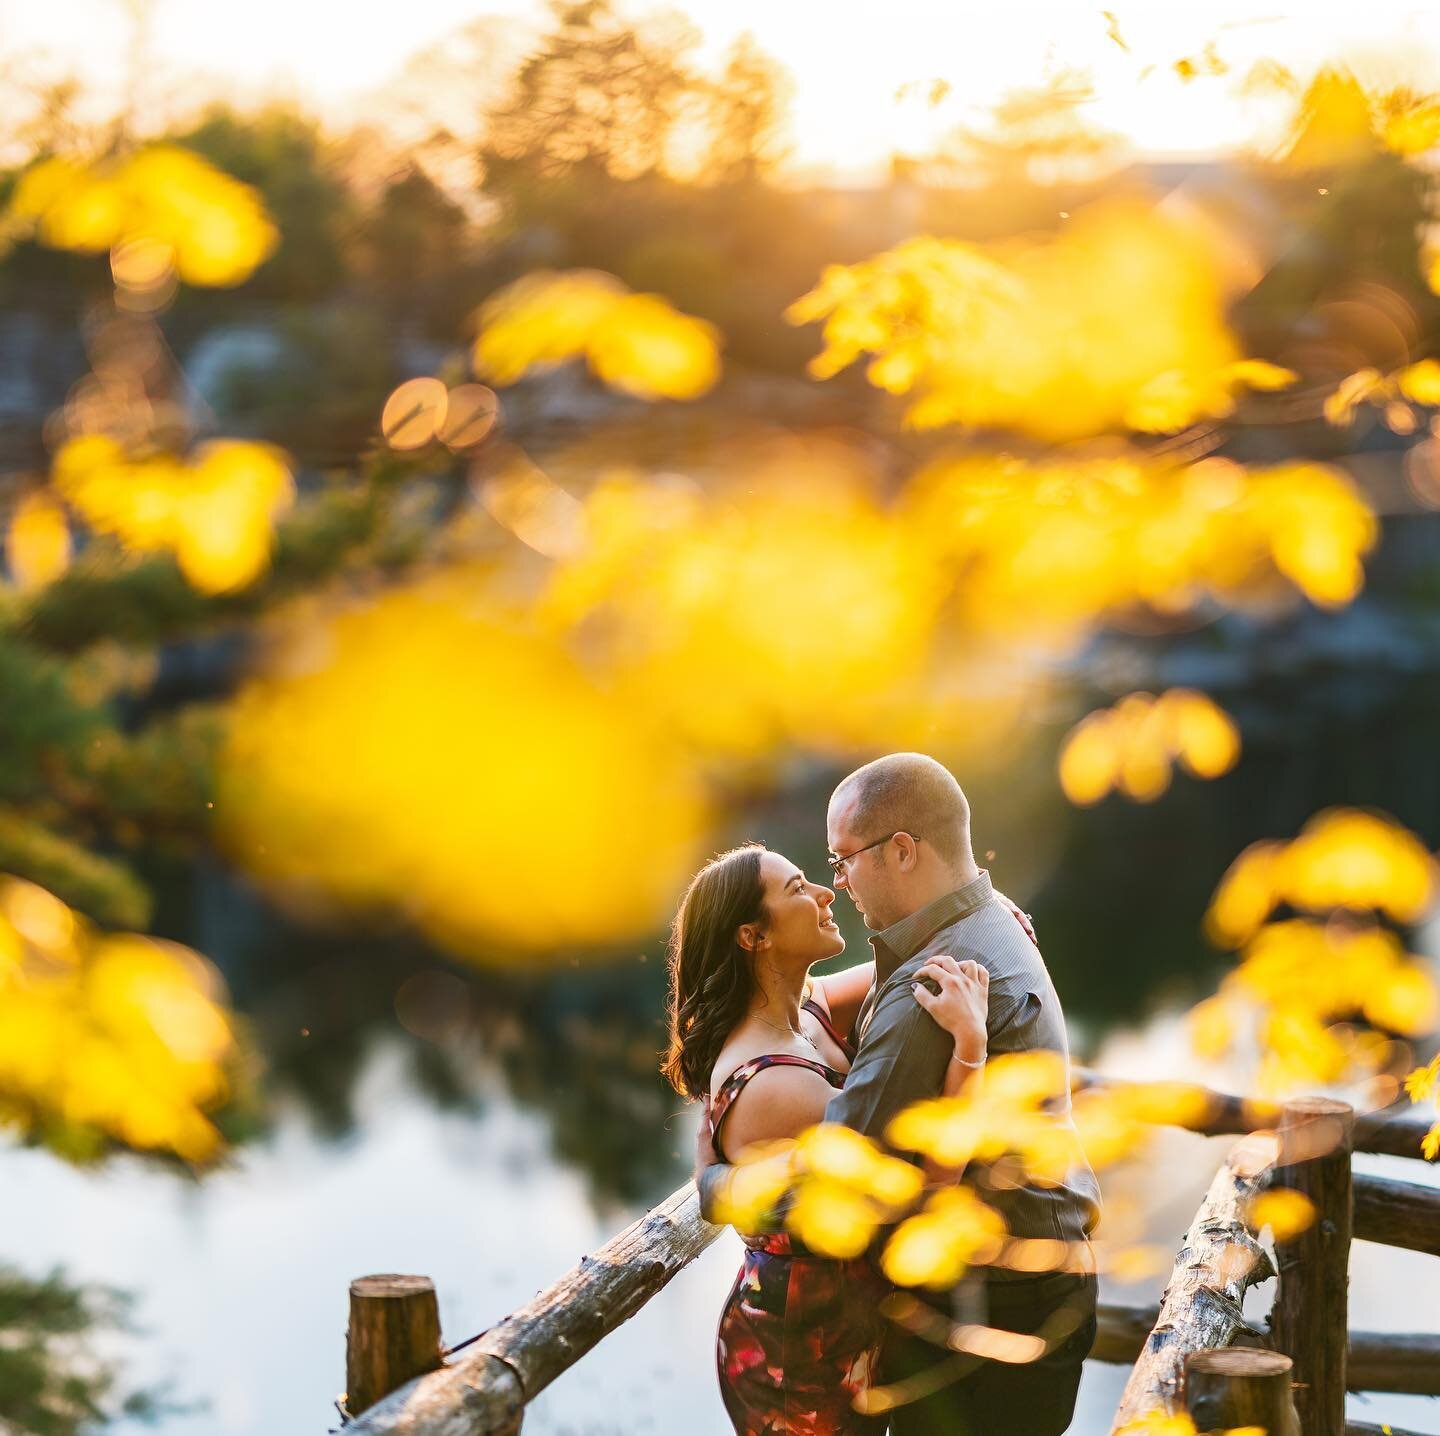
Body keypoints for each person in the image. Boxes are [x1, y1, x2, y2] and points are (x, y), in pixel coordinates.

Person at [695, 754, 1101, 1436]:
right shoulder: (986, 918)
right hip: (1034, 1277)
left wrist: (714, 1181)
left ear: (903, 851)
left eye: (841, 859)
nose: (836, 883)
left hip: (992, 1305)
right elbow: (800, 999)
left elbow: (849, 1181)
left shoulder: (931, 989)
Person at [662, 841, 992, 1436]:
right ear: (753, 937)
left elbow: (902, 969)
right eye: (797, 890)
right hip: (800, 1357)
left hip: (846, 1326)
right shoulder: (776, 1086)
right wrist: (969, 1051)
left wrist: (979, 929)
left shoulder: (802, 1011)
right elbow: (920, 1195)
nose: (826, 892)